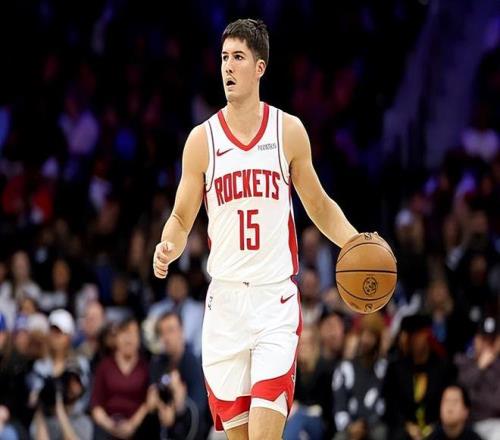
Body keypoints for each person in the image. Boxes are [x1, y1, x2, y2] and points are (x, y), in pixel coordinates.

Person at [152, 18, 358, 440]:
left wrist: (354, 241)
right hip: (225, 306)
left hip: (273, 301)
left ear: (260, 67)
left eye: (238, 58)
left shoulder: (288, 131)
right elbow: (182, 216)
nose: (227, 66)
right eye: (223, 58)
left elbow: (319, 204)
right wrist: (168, 244)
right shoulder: (202, 140)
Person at [455, 317, 500, 440]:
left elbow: (497, 403)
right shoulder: (462, 361)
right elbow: (460, 390)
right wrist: (479, 367)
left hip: (494, 424)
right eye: (483, 339)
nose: (486, 345)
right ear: (475, 339)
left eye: (491, 341)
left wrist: (474, 399)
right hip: (467, 425)